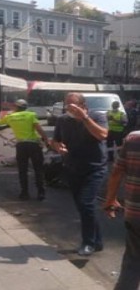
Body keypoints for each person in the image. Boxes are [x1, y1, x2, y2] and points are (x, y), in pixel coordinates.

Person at [50, 92, 108, 256]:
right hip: (73, 168)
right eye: (67, 105)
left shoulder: (96, 116)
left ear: (83, 106)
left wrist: (84, 118)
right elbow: (55, 141)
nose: (69, 108)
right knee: (83, 207)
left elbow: (102, 135)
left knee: (86, 203)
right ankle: (97, 242)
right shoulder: (62, 120)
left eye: (73, 105)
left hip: (95, 168)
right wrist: (58, 147)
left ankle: (88, 243)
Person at [102, 131, 140, 290]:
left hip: (135, 215)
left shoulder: (133, 138)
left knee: (132, 262)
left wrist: (110, 199)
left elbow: (116, 172)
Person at [0, 99, 50, 201]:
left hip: (21, 146)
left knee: (22, 170)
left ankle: (24, 193)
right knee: (38, 169)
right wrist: (46, 140)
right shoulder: (31, 115)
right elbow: (39, 129)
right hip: (34, 145)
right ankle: (41, 193)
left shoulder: (10, 117)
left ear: (16, 107)